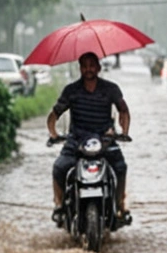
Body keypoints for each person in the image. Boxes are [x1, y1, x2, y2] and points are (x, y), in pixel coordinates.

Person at [48, 51, 132, 226]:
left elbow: (123, 110)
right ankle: (59, 206)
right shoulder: (71, 91)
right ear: (80, 69)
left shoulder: (111, 89)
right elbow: (54, 114)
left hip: (105, 139)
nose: (88, 69)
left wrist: (123, 131)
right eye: (85, 66)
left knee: (120, 167)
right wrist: (53, 134)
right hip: (76, 140)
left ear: (99, 68)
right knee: (59, 167)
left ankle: (120, 205)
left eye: (92, 65)